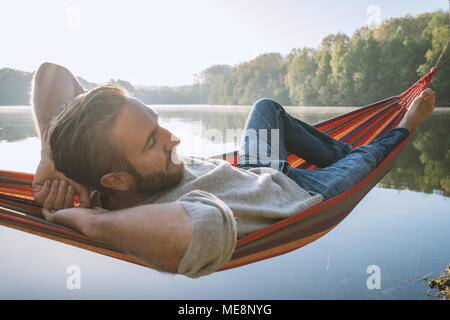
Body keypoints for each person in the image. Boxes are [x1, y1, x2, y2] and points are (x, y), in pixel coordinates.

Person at [31, 62, 435, 278]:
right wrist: (84, 219)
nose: (173, 139)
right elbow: (200, 228)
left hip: (256, 168)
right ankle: (392, 131)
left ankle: (345, 150)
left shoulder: (94, 166)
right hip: (302, 194)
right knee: (368, 158)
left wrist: (48, 156)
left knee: (266, 109)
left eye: (158, 123)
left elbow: (53, 73)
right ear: (115, 181)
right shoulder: (162, 212)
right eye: (152, 141)